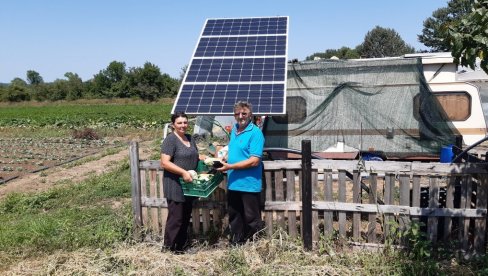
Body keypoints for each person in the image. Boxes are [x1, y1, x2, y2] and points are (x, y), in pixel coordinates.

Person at [217, 101, 265, 245]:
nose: (241, 116)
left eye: (244, 113)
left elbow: (254, 161)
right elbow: (235, 150)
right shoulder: (234, 130)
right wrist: (226, 157)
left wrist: (230, 166)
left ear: (250, 114)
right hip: (233, 183)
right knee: (235, 216)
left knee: (251, 218)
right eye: (237, 113)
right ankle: (237, 244)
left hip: (248, 184)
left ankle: (255, 246)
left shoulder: (255, 133)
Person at [160, 111, 199, 253]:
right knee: (175, 219)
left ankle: (180, 248)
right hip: (175, 184)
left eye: (185, 122)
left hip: (189, 185)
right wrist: (183, 172)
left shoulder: (190, 138)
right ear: (173, 125)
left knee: (185, 217)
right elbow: (164, 163)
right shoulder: (171, 140)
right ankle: (168, 249)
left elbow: (194, 155)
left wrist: (205, 158)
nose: (183, 125)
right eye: (179, 123)